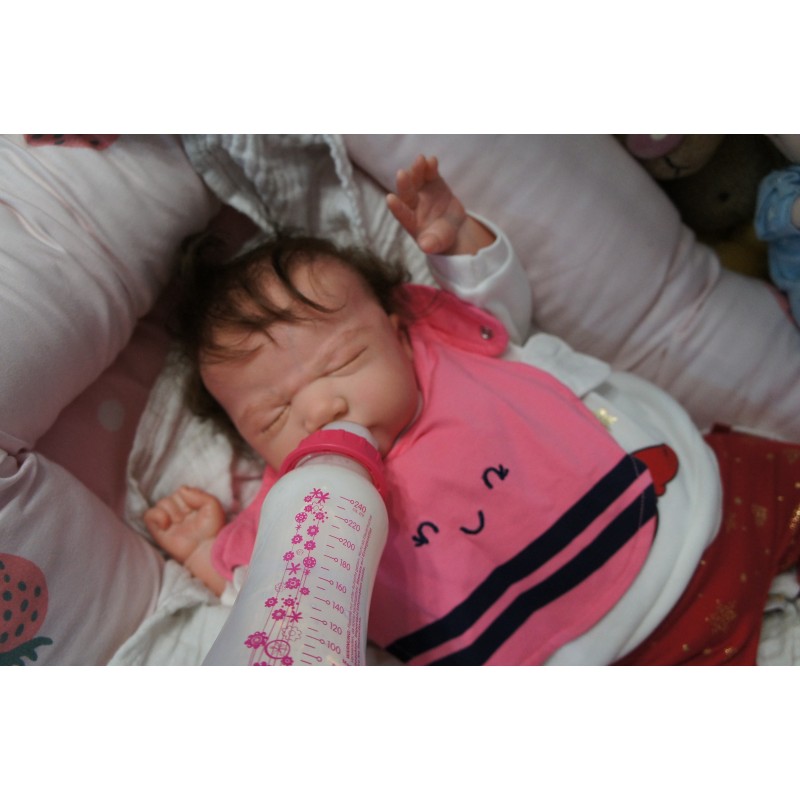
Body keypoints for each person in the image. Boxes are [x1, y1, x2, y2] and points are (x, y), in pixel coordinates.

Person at [145, 155, 800, 666]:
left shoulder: (444, 342)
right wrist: (205, 549)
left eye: (342, 362)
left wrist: (459, 240)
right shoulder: (300, 509)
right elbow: (274, 602)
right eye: (274, 415)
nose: (321, 407)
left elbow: (495, 300)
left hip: (695, 535)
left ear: (400, 330)